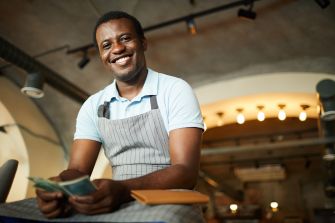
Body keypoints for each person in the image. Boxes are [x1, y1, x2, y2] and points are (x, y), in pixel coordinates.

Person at [35, 10, 204, 221]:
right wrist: (59, 186)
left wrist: (124, 189)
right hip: (113, 197)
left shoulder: (175, 89)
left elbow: (186, 172)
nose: (117, 48)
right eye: (106, 45)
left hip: (171, 196)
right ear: (102, 56)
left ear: (143, 43)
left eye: (125, 38)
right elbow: (77, 169)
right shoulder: (93, 105)